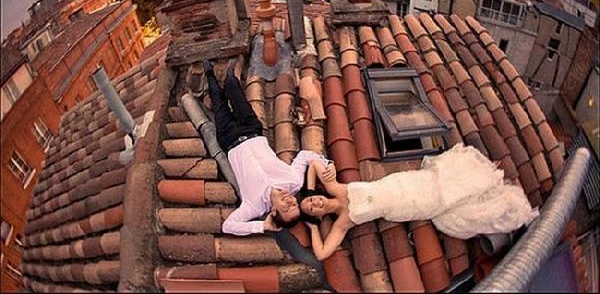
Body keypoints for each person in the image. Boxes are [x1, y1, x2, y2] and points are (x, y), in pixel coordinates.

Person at [298, 143, 538, 261]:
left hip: (402, 182)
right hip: (405, 206)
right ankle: (488, 189)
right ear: (318, 216)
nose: (315, 202)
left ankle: (486, 178)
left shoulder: (335, 188)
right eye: (312, 208)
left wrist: (311, 184)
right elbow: (321, 254)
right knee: (445, 198)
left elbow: (313, 164)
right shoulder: (342, 223)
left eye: (311, 199)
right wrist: (312, 229)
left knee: (442, 181)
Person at [203, 60, 335, 236]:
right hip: (251, 129)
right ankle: (230, 75)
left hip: (229, 139)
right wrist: (327, 164)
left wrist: (262, 226)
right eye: (294, 204)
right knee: (233, 87)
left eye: (286, 208)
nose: (290, 201)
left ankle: (209, 73)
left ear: (273, 212)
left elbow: (228, 226)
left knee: (218, 100)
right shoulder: (294, 181)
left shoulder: (253, 206)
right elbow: (305, 155)